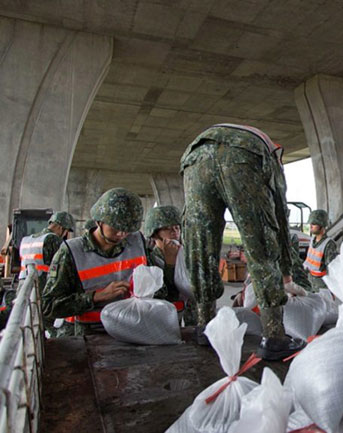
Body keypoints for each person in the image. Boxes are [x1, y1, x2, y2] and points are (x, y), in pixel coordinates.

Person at [180, 123, 304, 360]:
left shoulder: (232, 137)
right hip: (242, 157)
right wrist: (286, 275)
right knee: (260, 243)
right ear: (279, 155)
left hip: (195, 156)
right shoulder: (269, 154)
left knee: (200, 244)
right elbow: (278, 218)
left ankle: (204, 327)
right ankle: (274, 338)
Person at [41, 188, 172, 337]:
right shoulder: (72, 252)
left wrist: (148, 291)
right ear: (99, 222)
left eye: (127, 229)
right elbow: (49, 306)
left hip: (134, 329)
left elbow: (162, 290)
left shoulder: (137, 242)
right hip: (92, 335)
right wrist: (96, 296)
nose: (122, 234)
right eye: (115, 228)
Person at [143, 205, 195, 325]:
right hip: (164, 317)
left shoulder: (186, 253)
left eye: (177, 228)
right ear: (155, 234)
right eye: (167, 229)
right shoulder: (150, 259)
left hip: (190, 315)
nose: (175, 232)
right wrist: (170, 264)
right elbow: (164, 294)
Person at [303, 209, 338, 293]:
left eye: (314, 224)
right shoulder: (312, 240)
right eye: (311, 224)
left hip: (322, 286)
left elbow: (332, 269)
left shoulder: (329, 244)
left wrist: (332, 289)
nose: (311, 226)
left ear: (322, 225)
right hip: (311, 283)